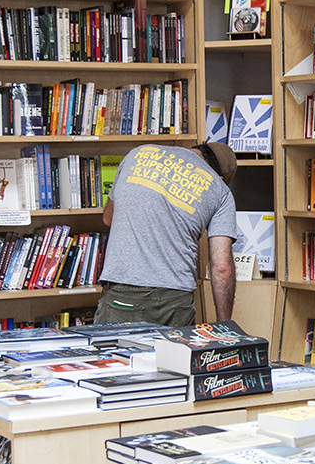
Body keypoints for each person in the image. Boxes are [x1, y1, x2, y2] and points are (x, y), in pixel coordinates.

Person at [99, 140, 240, 327]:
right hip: (175, 299)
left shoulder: (137, 154)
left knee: (112, 356)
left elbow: (108, 218)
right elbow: (222, 268)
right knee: (174, 356)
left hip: (124, 291)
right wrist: (225, 325)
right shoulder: (220, 191)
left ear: (196, 149)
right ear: (220, 178)